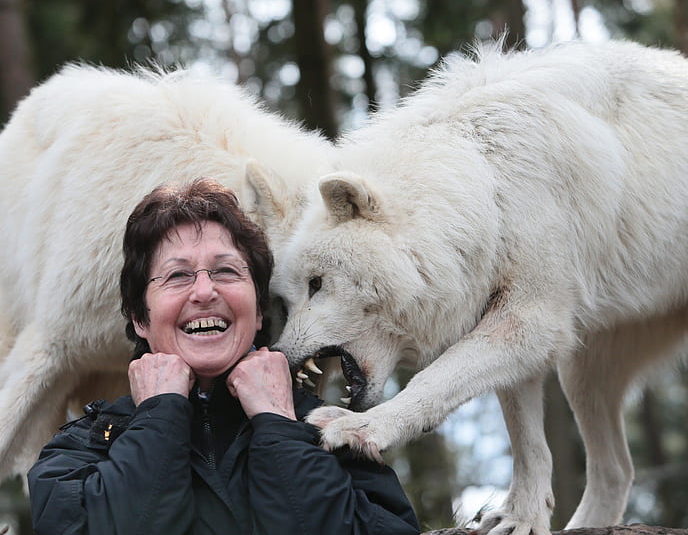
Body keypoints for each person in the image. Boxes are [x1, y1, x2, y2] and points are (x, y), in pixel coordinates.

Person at [27, 178, 420, 534]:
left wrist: (278, 426)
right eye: (177, 275)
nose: (203, 292)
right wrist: (159, 420)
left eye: (227, 272)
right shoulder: (77, 453)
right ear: (140, 318)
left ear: (258, 307)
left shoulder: (335, 436)